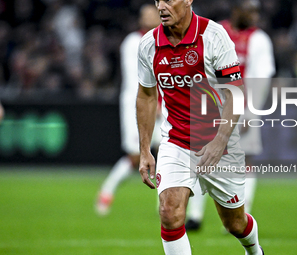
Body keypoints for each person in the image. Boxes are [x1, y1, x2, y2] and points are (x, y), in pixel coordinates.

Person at [137, 0, 264, 254]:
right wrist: (144, 150)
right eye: (157, 0)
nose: (161, 6)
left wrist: (221, 140)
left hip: (219, 142)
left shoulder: (214, 35)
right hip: (176, 141)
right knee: (169, 211)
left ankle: (255, 251)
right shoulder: (149, 44)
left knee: (235, 223)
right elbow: (147, 96)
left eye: (169, 0)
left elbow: (234, 93)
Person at [185, 0, 276, 231]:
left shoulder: (259, 39)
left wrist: (250, 112)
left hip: (242, 108)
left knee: (245, 160)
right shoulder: (215, 31)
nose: (255, 15)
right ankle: (195, 216)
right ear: (236, 10)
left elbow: (261, 79)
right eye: (250, 10)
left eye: (257, 10)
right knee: (202, 157)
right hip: (210, 106)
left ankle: (241, 216)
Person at [95, 4, 161, 216]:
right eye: (147, 15)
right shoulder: (133, 42)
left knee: (170, 152)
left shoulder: (165, 40)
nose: (151, 18)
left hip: (162, 104)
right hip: (138, 103)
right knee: (135, 156)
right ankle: (107, 191)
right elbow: (136, 78)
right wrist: (152, 101)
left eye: (154, 14)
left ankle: (164, 203)